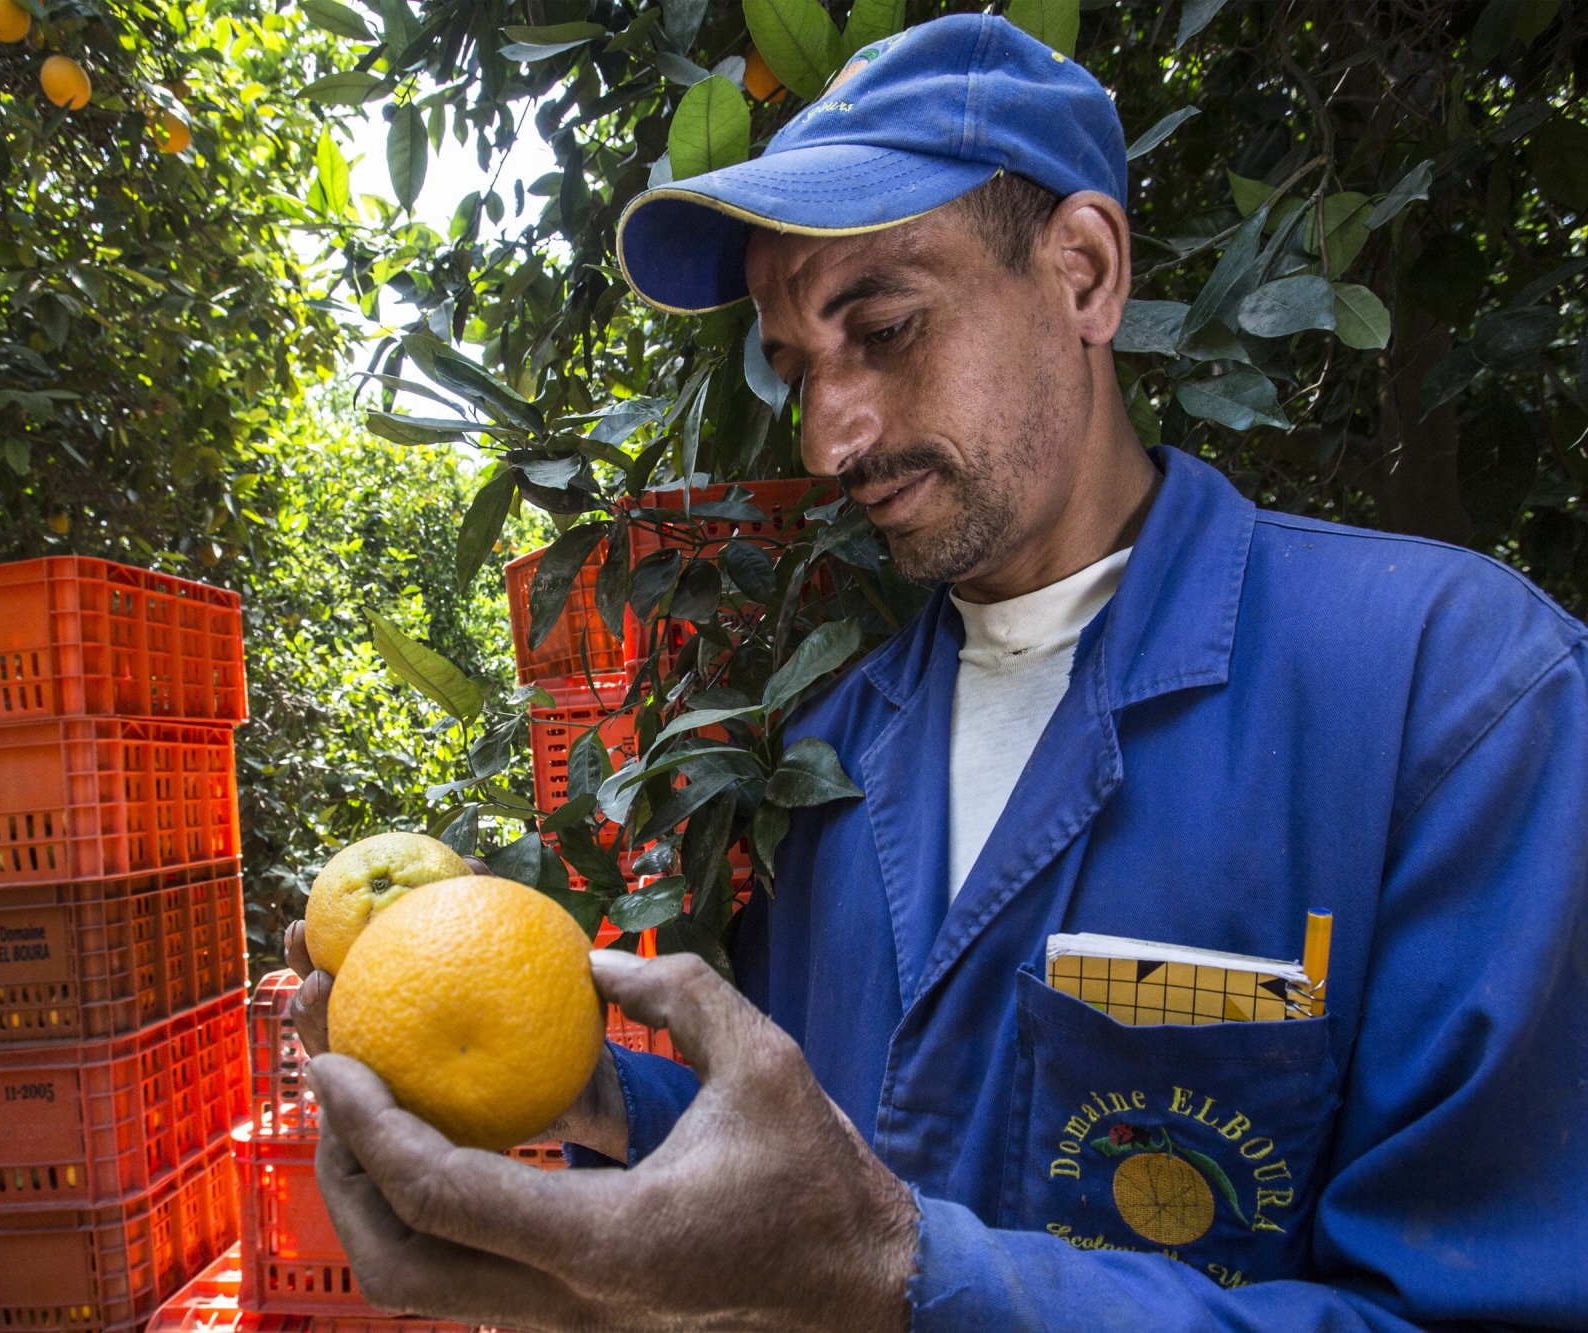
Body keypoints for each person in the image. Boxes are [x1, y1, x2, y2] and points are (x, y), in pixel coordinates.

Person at [283, 13, 1588, 1330]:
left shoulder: (1451, 697)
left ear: (1083, 272)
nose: (833, 431)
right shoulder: (840, 748)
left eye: (889, 327)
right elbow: (853, 1167)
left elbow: (871, 1244)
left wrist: (901, 1280)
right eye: (797, 367)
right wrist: (577, 1085)